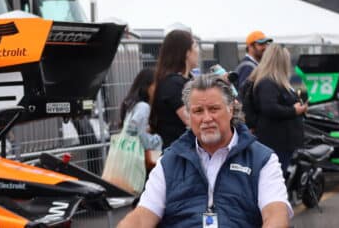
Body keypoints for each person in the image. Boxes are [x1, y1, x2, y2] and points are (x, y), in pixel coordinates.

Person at [118, 74, 292, 228]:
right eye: (198, 111)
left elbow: (276, 216)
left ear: (231, 109)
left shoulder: (262, 159)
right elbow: (142, 217)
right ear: (189, 115)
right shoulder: (169, 161)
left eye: (214, 109)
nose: (206, 118)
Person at [249, 44, 308, 176]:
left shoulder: (275, 82)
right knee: (276, 177)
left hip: (282, 142)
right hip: (276, 142)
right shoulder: (267, 83)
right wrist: (294, 111)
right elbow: (269, 108)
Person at [149, 29, 199, 148]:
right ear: (187, 52)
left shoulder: (184, 81)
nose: (198, 51)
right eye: (196, 46)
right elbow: (191, 121)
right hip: (177, 154)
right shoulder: (173, 84)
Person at [120, 68, 162, 152]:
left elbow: (133, 129)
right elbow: (141, 136)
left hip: (127, 152)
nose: (157, 89)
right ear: (147, 87)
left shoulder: (132, 105)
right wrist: (157, 139)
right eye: (155, 85)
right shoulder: (143, 107)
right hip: (138, 157)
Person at [235, 30, 273, 96]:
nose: (265, 47)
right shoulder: (247, 67)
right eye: (261, 44)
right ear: (250, 47)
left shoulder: (254, 65)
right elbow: (244, 94)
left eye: (266, 44)